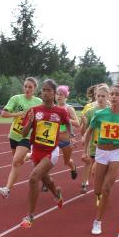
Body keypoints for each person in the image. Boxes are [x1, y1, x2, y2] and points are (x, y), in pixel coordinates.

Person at [85, 84, 119, 235]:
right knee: (97, 190)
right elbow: (89, 132)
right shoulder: (100, 114)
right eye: (112, 94)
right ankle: (100, 196)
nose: (113, 97)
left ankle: (97, 221)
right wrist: (86, 151)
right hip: (101, 152)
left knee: (107, 188)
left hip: (116, 153)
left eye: (117, 94)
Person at [18, 79, 69, 228]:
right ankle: (56, 192)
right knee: (45, 179)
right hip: (36, 150)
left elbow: (68, 123)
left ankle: (30, 216)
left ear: (54, 93)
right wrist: (29, 122)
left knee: (33, 178)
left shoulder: (61, 111)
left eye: (49, 90)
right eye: (44, 90)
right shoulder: (34, 110)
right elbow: (23, 134)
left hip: (51, 152)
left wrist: (70, 136)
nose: (46, 93)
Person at [0, 77, 42, 198]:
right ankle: (30, 155)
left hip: (27, 136)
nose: (27, 89)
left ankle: (7, 189)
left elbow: (42, 118)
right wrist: (18, 114)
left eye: (30, 87)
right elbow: (3, 114)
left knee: (16, 161)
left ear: (35, 89)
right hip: (14, 134)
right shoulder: (16, 99)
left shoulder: (39, 102)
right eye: (25, 86)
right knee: (19, 162)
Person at [80, 84, 110, 193]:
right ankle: (84, 184)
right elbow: (83, 131)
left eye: (103, 96)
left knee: (100, 170)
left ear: (108, 97)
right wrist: (84, 126)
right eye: (98, 96)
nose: (100, 98)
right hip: (93, 145)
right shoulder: (90, 111)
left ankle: (101, 189)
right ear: (95, 96)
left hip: (106, 146)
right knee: (88, 163)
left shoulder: (112, 111)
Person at [55, 85, 80, 180]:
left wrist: (66, 119)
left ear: (65, 96)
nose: (58, 96)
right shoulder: (53, 108)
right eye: (57, 94)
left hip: (66, 140)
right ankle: (45, 181)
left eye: (61, 94)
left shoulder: (69, 108)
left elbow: (77, 123)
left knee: (66, 161)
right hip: (55, 139)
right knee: (48, 160)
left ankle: (73, 167)